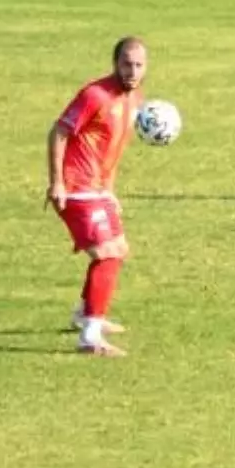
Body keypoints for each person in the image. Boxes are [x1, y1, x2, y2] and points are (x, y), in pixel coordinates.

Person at [46, 37, 147, 357]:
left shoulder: (133, 101)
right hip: (76, 188)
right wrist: (56, 183)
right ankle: (90, 337)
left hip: (97, 188)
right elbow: (59, 132)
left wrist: (110, 191)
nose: (132, 71)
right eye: (126, 64)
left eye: (138, 65)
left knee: (119, 250)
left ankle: (84, 313)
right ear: (115, 63)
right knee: (108, 253)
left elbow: (111, 148)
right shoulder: (95, 95)